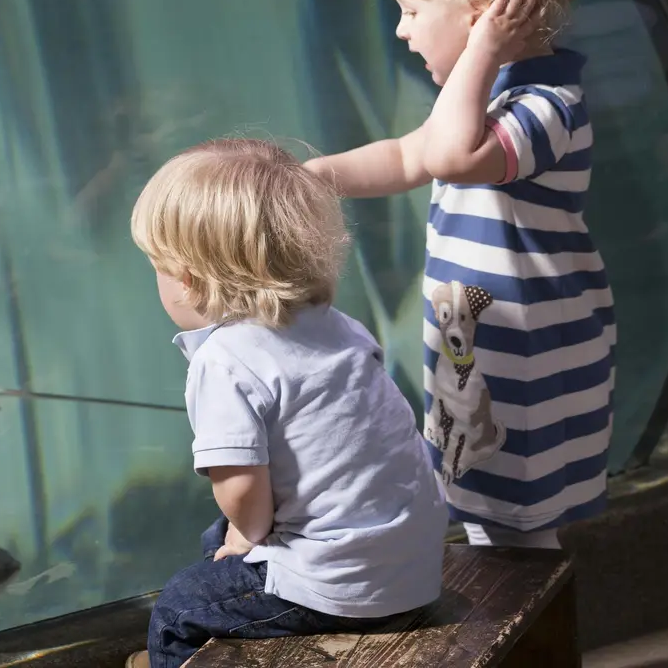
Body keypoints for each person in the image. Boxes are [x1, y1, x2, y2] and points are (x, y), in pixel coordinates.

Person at [303, 0, 614, 550]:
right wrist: (311, 178)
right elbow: (404, 157)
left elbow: (443, 155)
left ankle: (533, 642)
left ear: (481, 15)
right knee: (486, 517)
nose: (401, 29)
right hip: (480, 355)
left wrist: (481, 53)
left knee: (517, 535)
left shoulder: (545, 109)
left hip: (528, 363)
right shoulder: (483, 109)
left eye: (414, 9)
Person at [124, 138, 447, 668]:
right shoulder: (337, 325)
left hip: (343, 585)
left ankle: (178, 656)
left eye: (157, 267)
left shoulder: (225, 360)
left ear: (189, 279)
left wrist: (243, 535)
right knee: (216, 542)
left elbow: (247, 501)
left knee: (179, 605)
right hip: (410, 562)